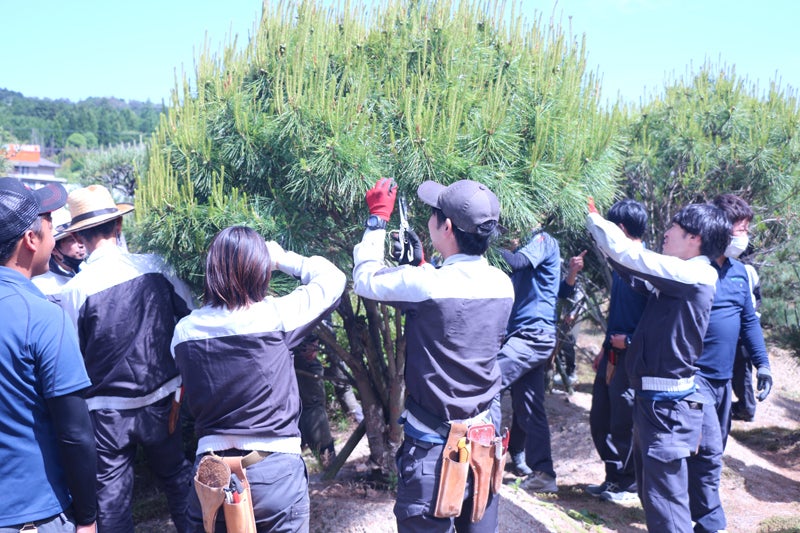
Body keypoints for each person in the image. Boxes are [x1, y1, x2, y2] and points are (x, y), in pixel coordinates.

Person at [352, 178, 514, 532]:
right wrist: (425, 265)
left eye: (433, 214)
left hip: (431, 451)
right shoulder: (503, 285)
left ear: (448, 227)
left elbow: (364, 280)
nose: (429, 220)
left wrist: (377, 220)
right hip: (482, 447)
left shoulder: (426, 284)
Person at [171, 226, 346, 532]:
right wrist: (282, 258)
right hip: (274, 473)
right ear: (260, 269)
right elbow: (333, 279)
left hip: (211, 477)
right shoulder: (277, 316)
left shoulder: (184, 333)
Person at [586, 199, 731, 532]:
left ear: (695, 238)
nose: (665, 233)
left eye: (674, 228)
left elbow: (632, 256)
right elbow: (632, 271)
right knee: (658, 496)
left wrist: (593, 218)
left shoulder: (692, 274)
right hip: (658, 403)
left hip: (665, 407)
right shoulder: (685, 276)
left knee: (666, 504)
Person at [59, 185, 193, 533]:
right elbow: (190, 315)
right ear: (118, 226)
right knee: (177, 478)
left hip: (106, 413)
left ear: (78, 237)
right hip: (163, 399)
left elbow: (72, 356)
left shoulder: (75, 290)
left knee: (112, 499)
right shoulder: (156, 266)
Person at [0, 178, 97, 532]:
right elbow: (75, 434)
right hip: (32, 516)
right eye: (50, 224)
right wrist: (87, 519)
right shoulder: (42, 317)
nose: (55, 237)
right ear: (31, 239)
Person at [687, 194, 773, 533]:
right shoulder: (693, 268)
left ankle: (682, 511)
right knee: (709, 452)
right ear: (720, 229)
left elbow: (749, 322)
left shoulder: (740, 273)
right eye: (741, 229)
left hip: (723, 381)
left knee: (713, 449)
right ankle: (711, 523)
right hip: (693, 377)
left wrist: (762, 364)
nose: (745, 236)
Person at [488, 232, 584, 492]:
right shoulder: (521, 249)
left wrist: (479, 242)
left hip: (532, 336)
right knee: (529, 406)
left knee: (487, 383)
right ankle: (543, 474)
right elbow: (554, 288)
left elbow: (517, 262)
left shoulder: (542, 240)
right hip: (523, 336)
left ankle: (485, 460)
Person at [586, 199, 648, 503]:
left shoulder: (646, 267)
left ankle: (630, 484)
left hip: (633, 360)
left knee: (623, 421)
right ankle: (613, 478)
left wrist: (632, 342)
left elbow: (657, 322)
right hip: (611, 355)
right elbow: (618, 315)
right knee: (600, 418)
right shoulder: (622, 266)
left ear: (620, 229)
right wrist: (604, 347)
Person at [293, 334, 337, 466]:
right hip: (306, 410)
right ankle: (329, 465)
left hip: (310, 409)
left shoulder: (313, 364)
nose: (315, 350)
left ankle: (329, 465)